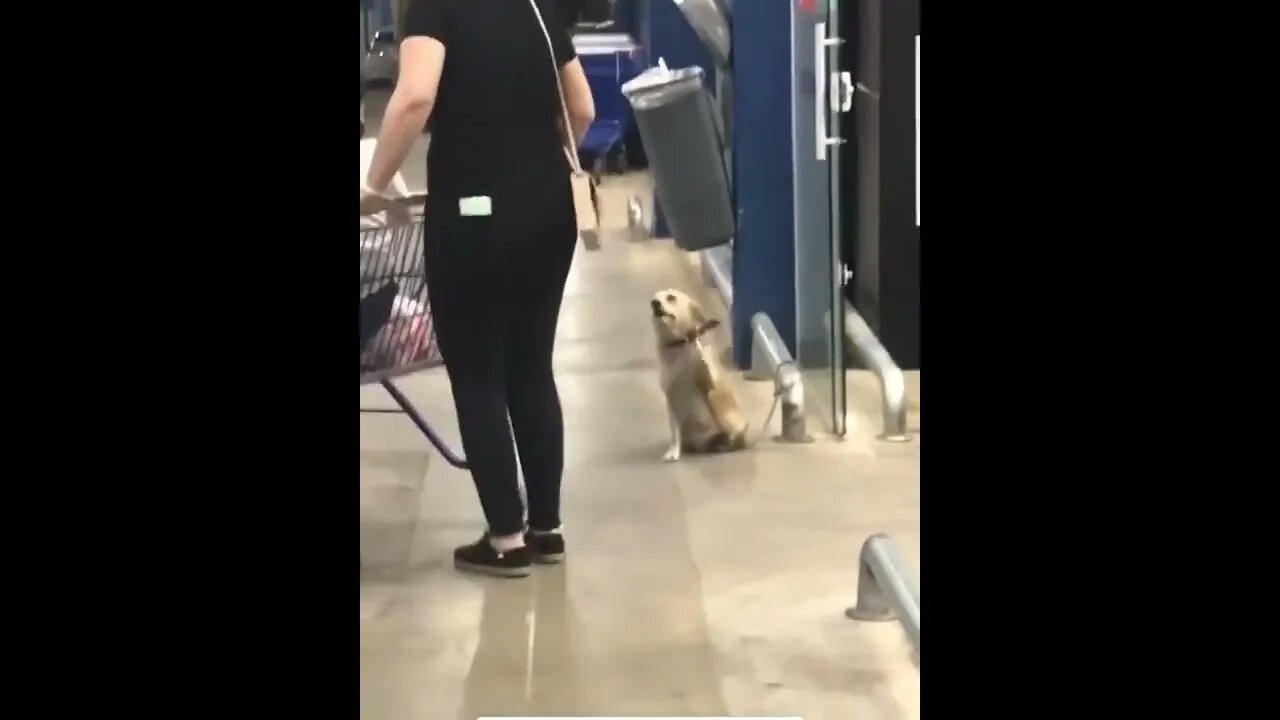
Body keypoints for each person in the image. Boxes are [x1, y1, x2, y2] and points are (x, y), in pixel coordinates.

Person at [360, 0, 595, 578]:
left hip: (474, 217)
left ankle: (506, 538)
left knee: (479, 374)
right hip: (549, 212)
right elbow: (582, 108)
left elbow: (415, 96)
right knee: (531, 368)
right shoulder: (536, 7)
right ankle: (547, 528)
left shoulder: (433, 8)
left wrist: (373, 184)